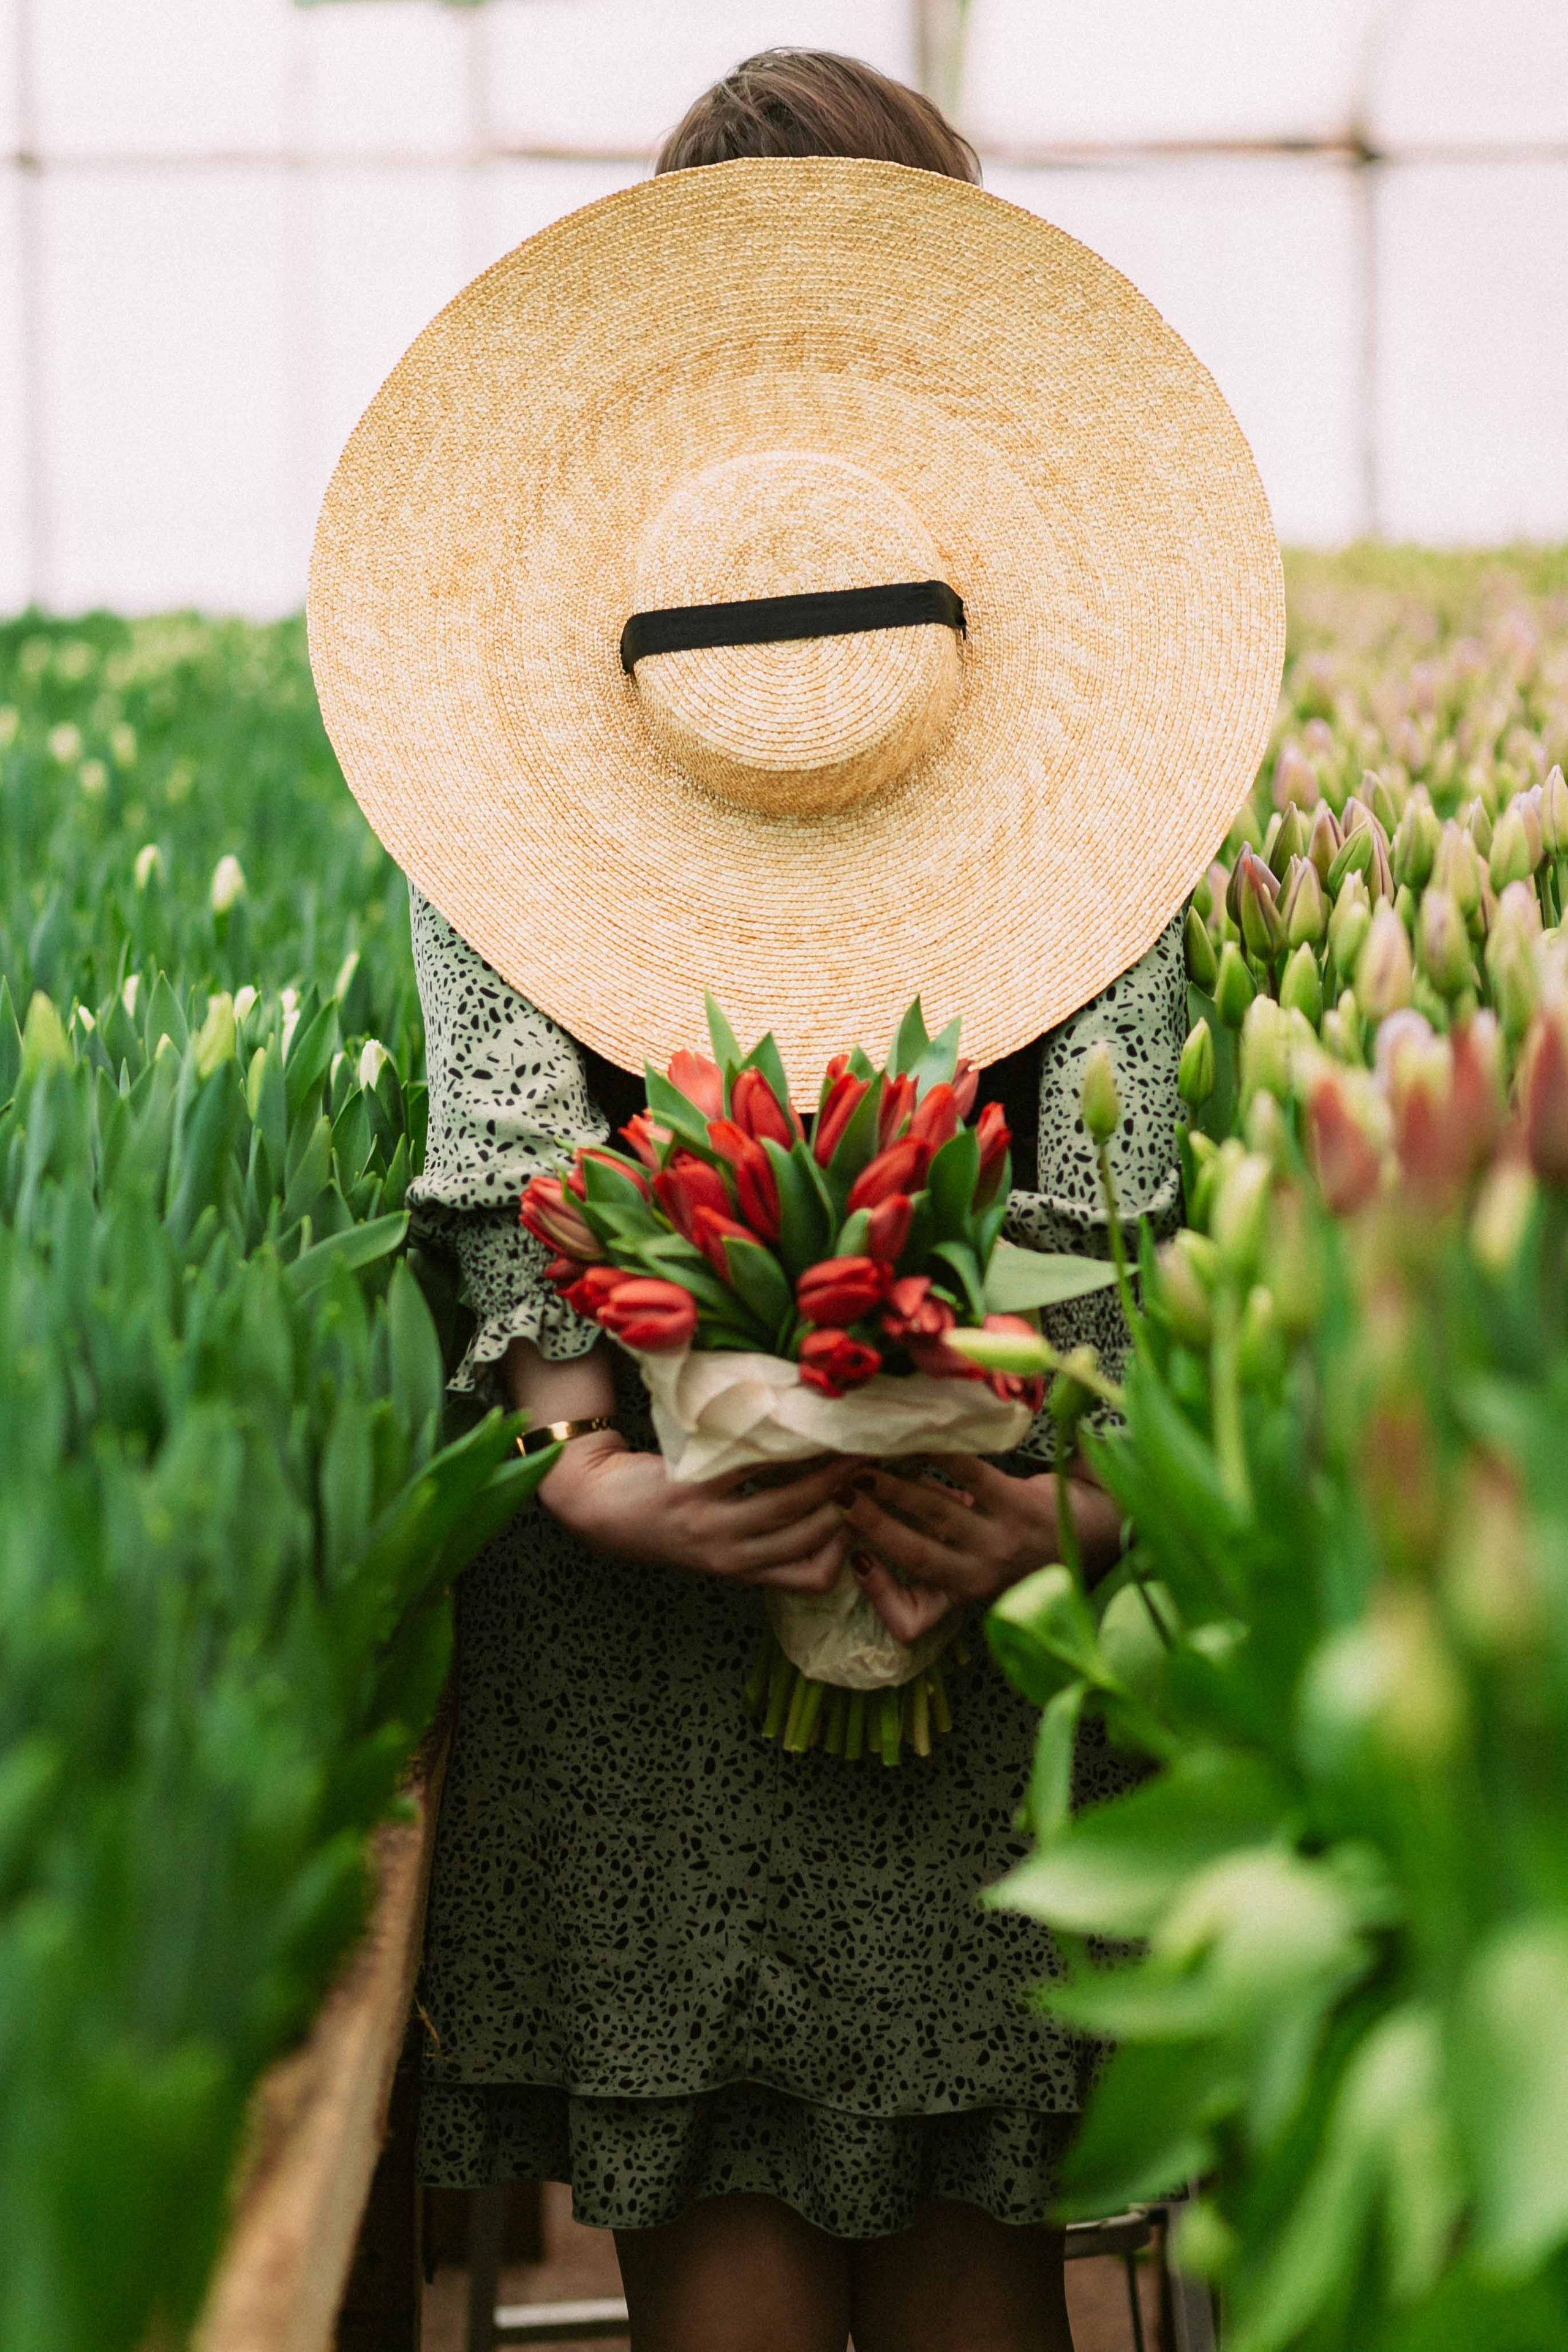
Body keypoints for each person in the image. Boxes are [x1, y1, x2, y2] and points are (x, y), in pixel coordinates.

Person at [307, 47, 1283, 2352]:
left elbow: (507, 1176)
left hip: (705, 1597)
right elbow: (1115, 1210)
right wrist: (1061, 1507)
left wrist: (595, 1468)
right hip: (955, 1587)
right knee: (964, 2285)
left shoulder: (511, 742)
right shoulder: (1105, 746)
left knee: (736, 2291)